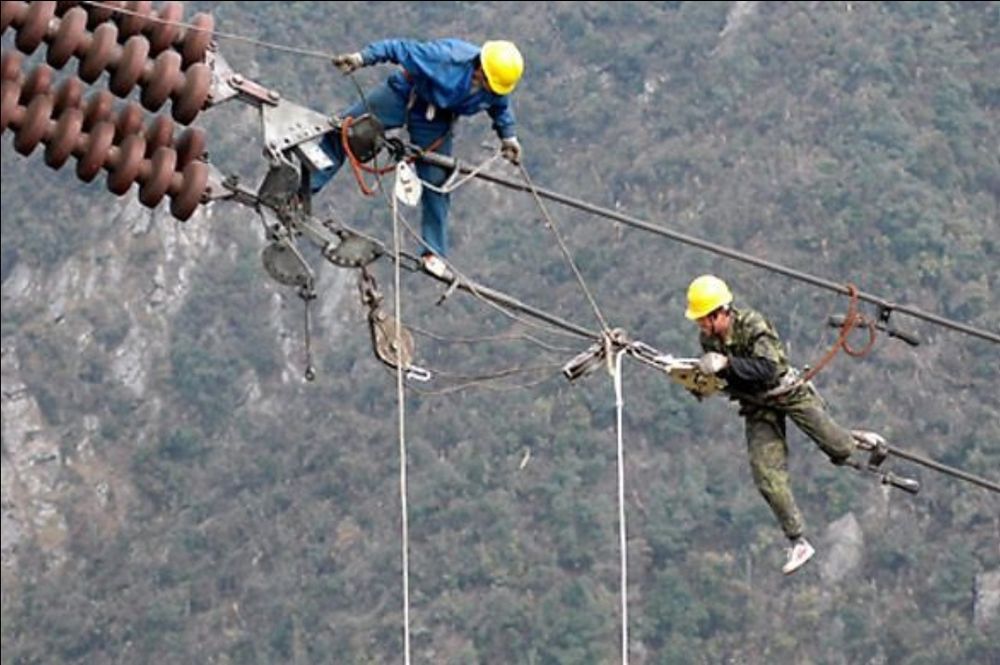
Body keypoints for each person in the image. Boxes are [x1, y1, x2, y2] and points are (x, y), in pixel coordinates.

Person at [684, 274, 862, 575]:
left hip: (786, 392)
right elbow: (723, 376)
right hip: (757, 406)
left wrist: (727, 365)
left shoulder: (753, 325)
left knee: (840, 449)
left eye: (705, 319)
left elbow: (768, 369)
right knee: (766, 475)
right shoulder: (709, 340)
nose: (702, 327)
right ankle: (798, 540)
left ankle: (856, 440)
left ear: (721, 313)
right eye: (700, 321)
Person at [314, 38, 525, 275]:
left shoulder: (495, 87)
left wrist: (508, 137)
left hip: (435, 119)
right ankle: (305, 188)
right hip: (403, 94)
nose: (488, 88)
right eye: (486, 81)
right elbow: (398, 49)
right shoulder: (444, 57)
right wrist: (361, 58)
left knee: (437, 183)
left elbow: (501, 107)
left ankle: (434, 252)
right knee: (344, 132)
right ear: (480, 67)